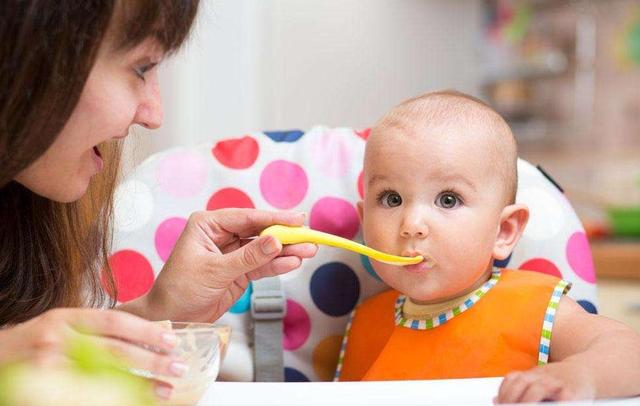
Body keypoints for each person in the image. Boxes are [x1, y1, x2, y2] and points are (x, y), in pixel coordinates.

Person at [0, 1, 317, 400]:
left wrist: (159, 311)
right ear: (26, 51)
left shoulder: (28, 215)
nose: (154, 115)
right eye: (141, 67)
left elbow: (40, 358)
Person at [335, 90, 640, 403]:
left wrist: (579, 375)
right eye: (392, 199)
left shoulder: (533, 309)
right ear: (365, 221)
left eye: (448, 199)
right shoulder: (366, 325)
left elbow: (631, 354)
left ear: (504, 231)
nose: (412, 224)